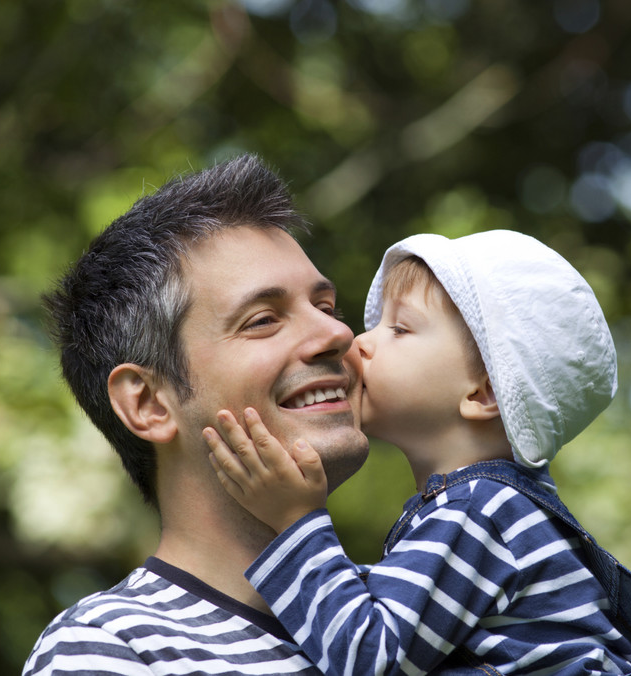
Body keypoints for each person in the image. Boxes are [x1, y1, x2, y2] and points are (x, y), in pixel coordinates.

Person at [207, 230, 631, 675]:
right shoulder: (495, 510)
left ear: (483, 395)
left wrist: (294, 522)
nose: (359, 342)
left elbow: (369, 658)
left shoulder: (482, 512)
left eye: (400, 329)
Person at [21, 154, 370, 675]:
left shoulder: (429, 608)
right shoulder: (109, 650)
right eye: (263, 320)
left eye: (325, 307)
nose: (337, 335)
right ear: (148, 403)